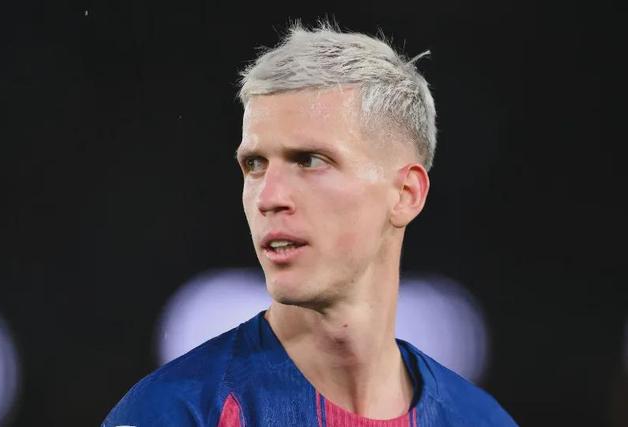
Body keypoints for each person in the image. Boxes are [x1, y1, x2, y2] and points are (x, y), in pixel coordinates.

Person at [103, 22, 517, 427]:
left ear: (406, 193)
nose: (268, 197)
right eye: (255, 164)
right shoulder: (171, 413)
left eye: (310, 160)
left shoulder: (481, 421)